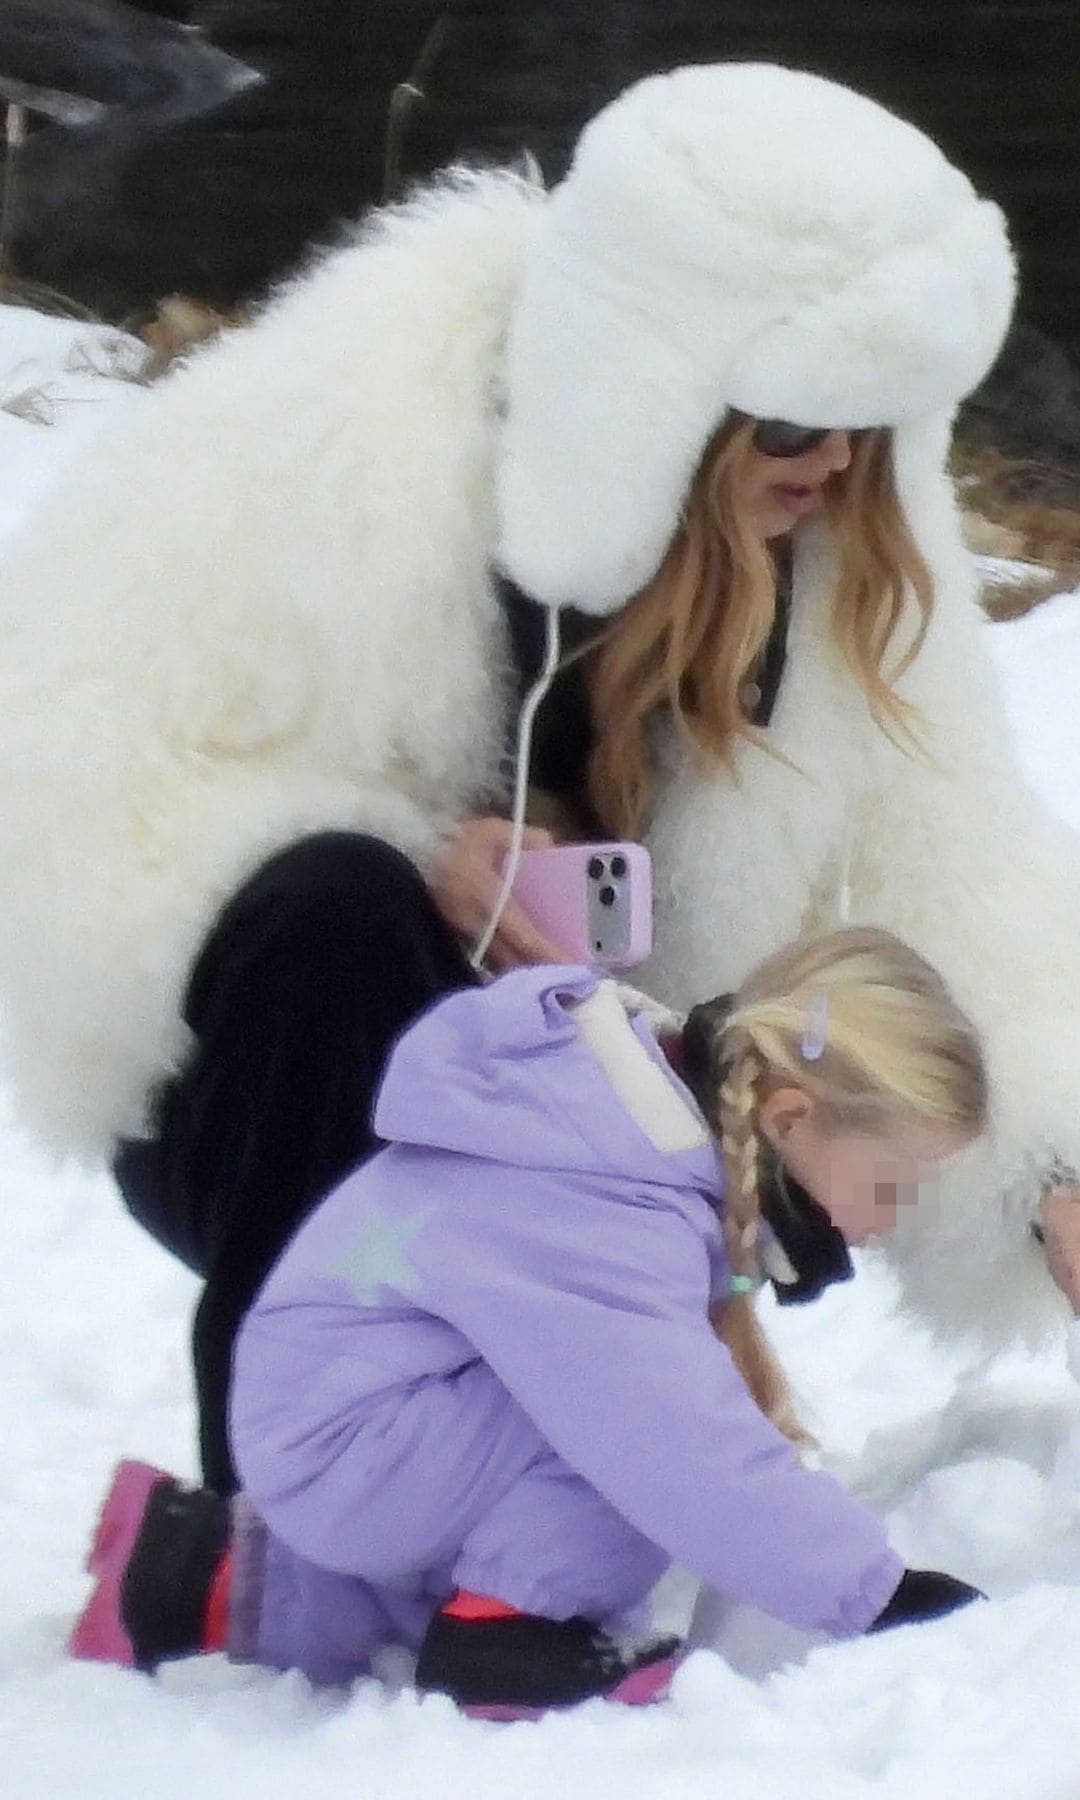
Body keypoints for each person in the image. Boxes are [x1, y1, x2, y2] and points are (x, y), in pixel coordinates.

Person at [0, 61, 1076, 1499]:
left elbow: (953, 870)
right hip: (282, 1100)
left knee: (781, 1104)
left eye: (875, 423)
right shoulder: (334, 438)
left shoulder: (846, 545)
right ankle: (290, 1521)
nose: (837, 468)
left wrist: (1048, 1167)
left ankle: (574, 1482)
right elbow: (70, 782)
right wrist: (415, 849)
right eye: (796, 421)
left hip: (594, 1128)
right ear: (665, 380)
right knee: (339, 901)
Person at [68, 927, 988, 1716]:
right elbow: (671, 1441)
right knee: (636, 1436)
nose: (893, 1218)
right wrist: (875, 1595)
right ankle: (508, 1635)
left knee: (612, 1420)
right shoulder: (605, 1194)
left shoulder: (620, 1126)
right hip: (352, 1439)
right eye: (892, 1185)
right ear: (790, 1117)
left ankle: (197, 1576)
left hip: (343, 1426)